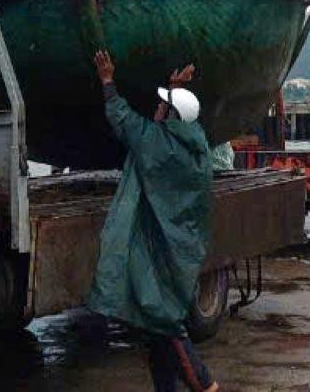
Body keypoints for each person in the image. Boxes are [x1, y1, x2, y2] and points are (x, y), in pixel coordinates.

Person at [87, 50, 220, 392]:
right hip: (177, 247)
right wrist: (174, 86)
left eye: (163, 106)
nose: (156, 108)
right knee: (156, 330)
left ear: (171, 115)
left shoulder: (158, 147)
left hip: (158, 250)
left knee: (165, 323)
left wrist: (107, 82)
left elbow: (123, 119)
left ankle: (204, 384)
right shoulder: (195, 147)